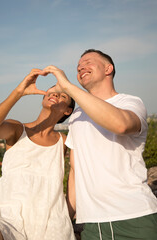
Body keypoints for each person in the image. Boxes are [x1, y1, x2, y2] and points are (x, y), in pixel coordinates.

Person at [41, 50, 157, 240]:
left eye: (87, 62)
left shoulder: (130, 102)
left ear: (108, 69)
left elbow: (121, 124)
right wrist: (65, 219)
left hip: (135, 217)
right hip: (93, 226)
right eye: (78, 68)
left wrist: (68, 87)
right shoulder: (76, 117)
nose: (81, 68)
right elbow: (76, 172)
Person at [0, 69, 76, 240]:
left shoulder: (63, 141)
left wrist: (68, 215)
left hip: (50, 225)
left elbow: (74, 176)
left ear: (67, 111)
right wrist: (19, 92)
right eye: (53, 92)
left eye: (63, 96)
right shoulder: (18, 130)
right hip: (8, 219)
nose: (56, 95)